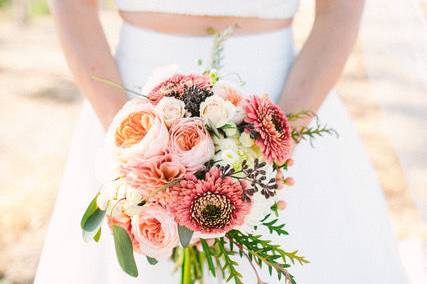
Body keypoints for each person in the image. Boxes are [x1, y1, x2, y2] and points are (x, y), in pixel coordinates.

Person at [34, 0, 407, 283]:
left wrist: (275, 145)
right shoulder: (129, 129)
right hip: (129, 101)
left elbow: (339, 12)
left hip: (286, 102)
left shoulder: (280, 134)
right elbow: (72, 8)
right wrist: (134, 145)